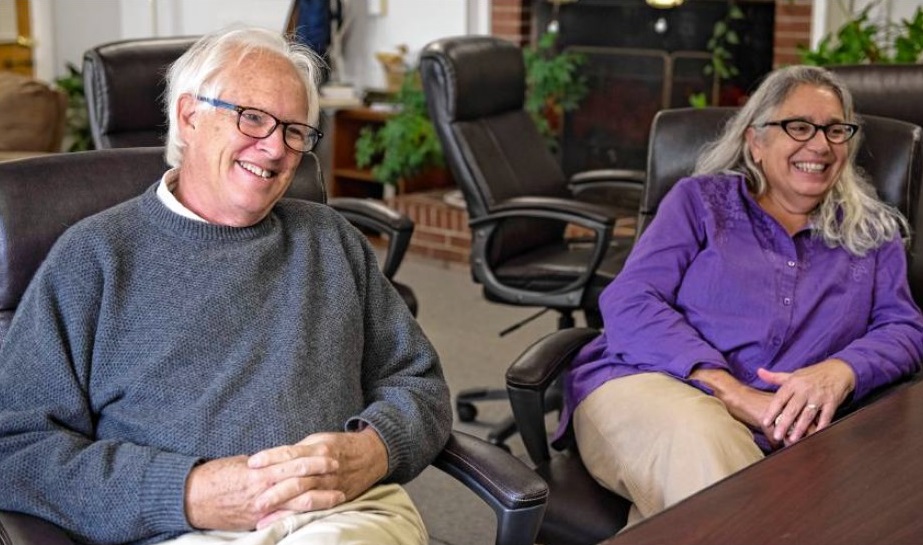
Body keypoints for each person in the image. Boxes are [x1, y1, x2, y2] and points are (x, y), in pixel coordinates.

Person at [0, 26, 451, 545]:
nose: (276, 148)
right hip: (176, 529)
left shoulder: (331, 239)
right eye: (252, 117)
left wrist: (373, 450)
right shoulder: (94, 257)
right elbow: (18, 448)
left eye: (295, 131)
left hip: (346, 515)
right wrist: (186, 492)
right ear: (190, 116)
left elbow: (420, 383)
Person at [556, 65, 923, 526]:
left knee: (688, 509)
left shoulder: (872, 233)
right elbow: (629, 299)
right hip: (647, 383)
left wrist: (840, 371)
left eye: (835, 129)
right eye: (799, 126)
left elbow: (903, 327)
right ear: (756, 141)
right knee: (704, 440)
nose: (821, 144)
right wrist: (729, 390)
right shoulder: (700, 202)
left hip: (781, 430)